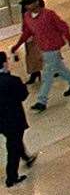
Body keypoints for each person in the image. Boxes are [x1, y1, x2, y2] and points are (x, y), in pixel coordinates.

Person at [12, 0, 70, 112]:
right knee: (59, 67)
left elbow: (63, 27)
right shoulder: (27, 17)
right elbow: (27, 32)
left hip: (53, 47)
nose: (26, 6)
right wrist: (17, 45)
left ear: (36, 3)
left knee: (47, 74)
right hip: (43, 47)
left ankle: (41, 101)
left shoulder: (49, 14)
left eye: (28, 3)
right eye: (25, 4)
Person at [0, 53, 36, 188]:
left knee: (14, 140)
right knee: (13, 145)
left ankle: (27, 158)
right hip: (14, 119)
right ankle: (11, 177)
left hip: (2, 121)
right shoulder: (13, 80)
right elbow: (23, 95)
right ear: (4, 63)